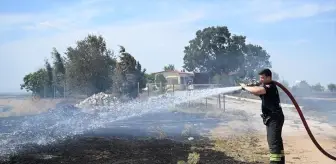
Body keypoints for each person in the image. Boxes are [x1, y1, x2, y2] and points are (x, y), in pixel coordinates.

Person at [240, 68, 285, 164]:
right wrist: (250, 88)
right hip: (273, 118)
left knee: (274, 143)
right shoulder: (266, 87)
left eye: (262, 78)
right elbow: (257, 92)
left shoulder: (270, 86)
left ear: (269, 77)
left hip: (274, 118)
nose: (261, 80)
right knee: (276, 142)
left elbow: (258, 91)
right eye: (260, 78)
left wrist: (245, 87)